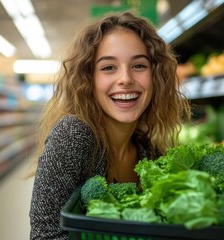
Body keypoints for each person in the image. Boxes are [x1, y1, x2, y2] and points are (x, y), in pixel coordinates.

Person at [28, 11, 192, 239]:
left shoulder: (150, 152)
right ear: (89, 79)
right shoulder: (73, 135)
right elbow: (45, 235)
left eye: (139, 66)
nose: (125, 79)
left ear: (155, 76)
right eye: (108, 68)